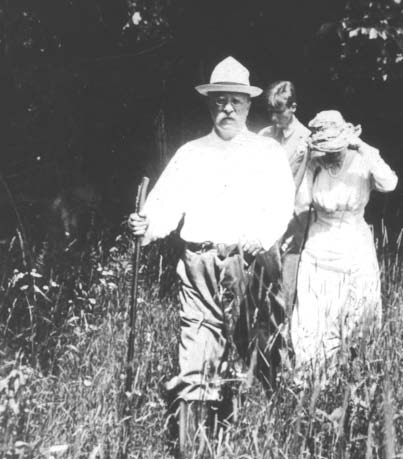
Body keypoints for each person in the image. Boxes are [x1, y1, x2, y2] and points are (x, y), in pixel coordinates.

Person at [127, 56, 294, 419]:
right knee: (196, 354)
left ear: (249, 104)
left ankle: (262, 431)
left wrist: (261, 236)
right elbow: (164, 205)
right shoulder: (191, 153)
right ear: (210, 104)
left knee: (259, 349)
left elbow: (283, 205)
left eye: (236, 100)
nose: (228, 108)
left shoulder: (268, 152)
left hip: (249, 263)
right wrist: (146, 225)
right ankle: (195, 443)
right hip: (199, 265)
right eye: (220, 100)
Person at [291, 110, 398, 374]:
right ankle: (314, 377)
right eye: (326, 148)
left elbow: (389, 183)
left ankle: (351, 374)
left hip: (355, 244)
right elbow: (300, 201)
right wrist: (304, 160)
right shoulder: (315, 165)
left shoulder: (361, 161)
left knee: (357, 311)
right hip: (319, 245)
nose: (332, 153)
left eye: (336, 146)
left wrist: (362, 146)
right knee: (314, 316)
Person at [258, 81, 311, 329]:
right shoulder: (264, 136)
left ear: (293, 107)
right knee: (261, 288)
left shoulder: (306, 140)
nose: (274, 117)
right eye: (271, 112)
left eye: (279, 111)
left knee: (287, 288)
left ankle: (285, 348)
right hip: (264, 220)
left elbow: (299, 184)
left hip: (294, 222)